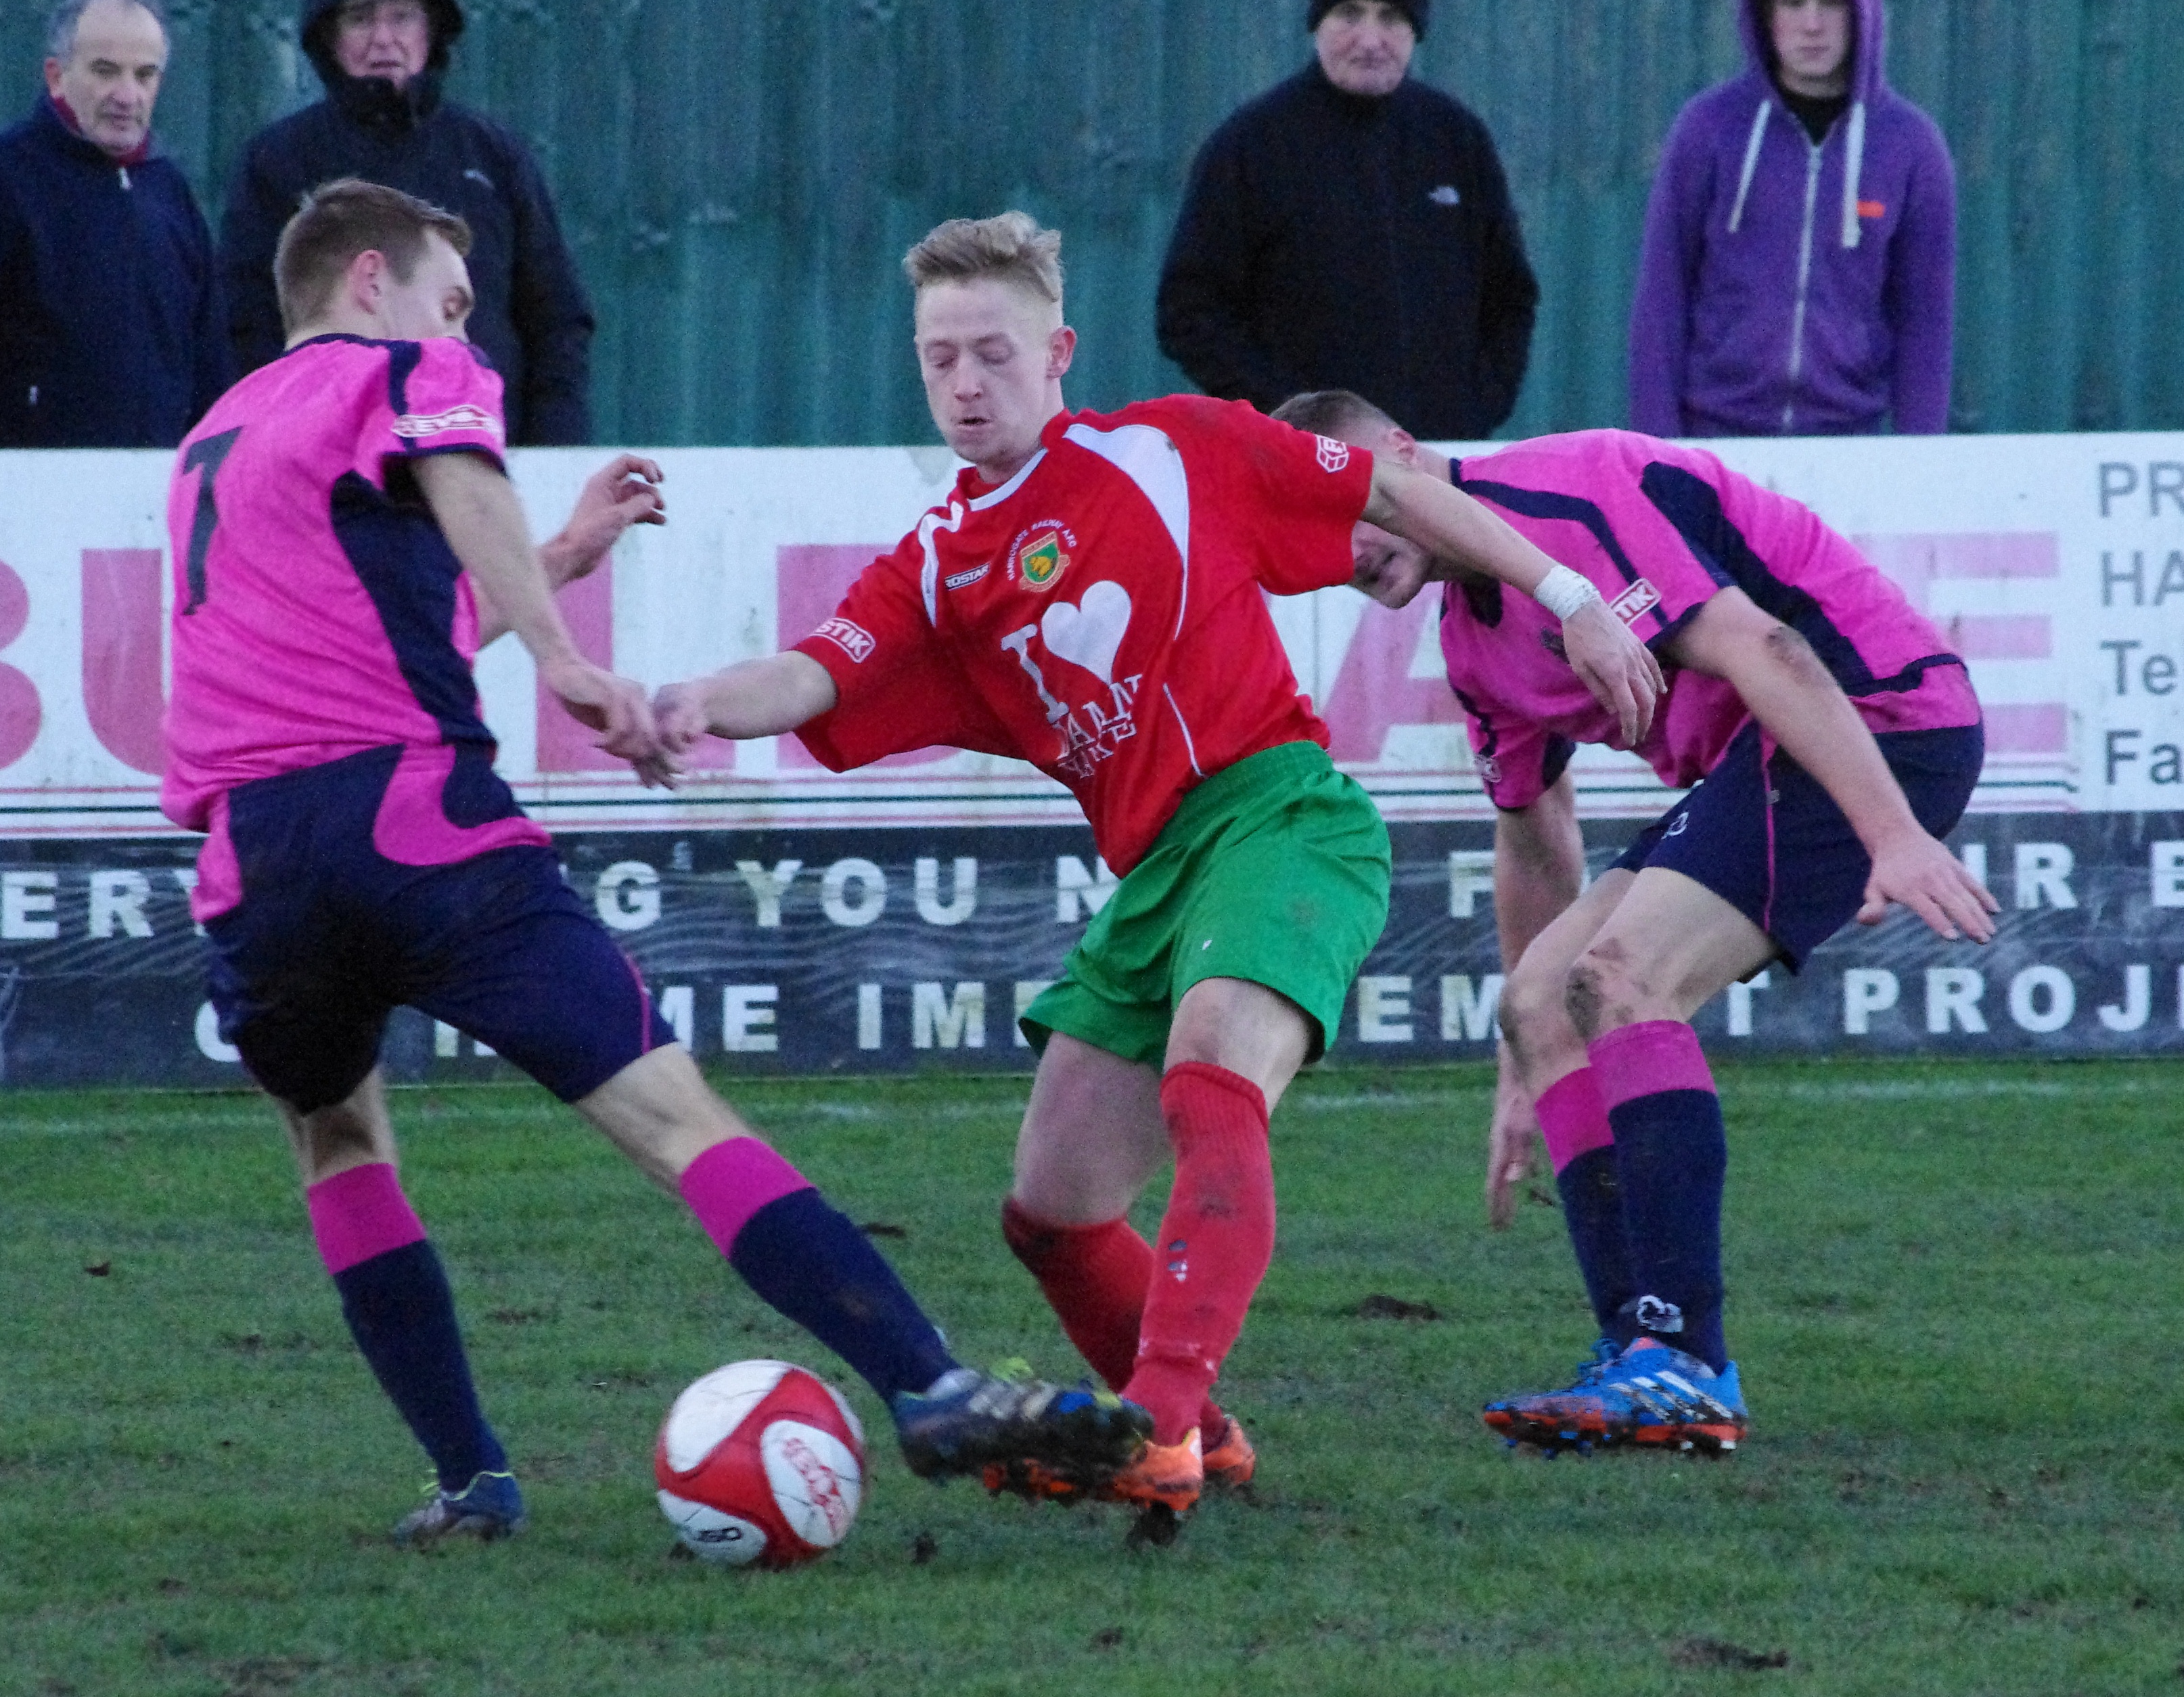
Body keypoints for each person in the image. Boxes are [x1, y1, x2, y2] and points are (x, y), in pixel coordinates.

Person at [162, 179, 1150, 1545]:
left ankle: (471, 1480)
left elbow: (379, 625)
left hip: (254, 863)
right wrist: (565, 659)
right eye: (455, 301)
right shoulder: (405, 369)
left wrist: (566, 554)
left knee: (337, 1137)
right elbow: (462, 477)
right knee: (678, 1121)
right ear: (372, 281)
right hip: (413, 822)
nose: (467, 333)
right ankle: (927, 1383)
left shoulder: (213, 438)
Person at [652, 212, 1660, 1532]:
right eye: (940, 358)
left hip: (1282, 817)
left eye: (993, 353)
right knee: (1052, 1212)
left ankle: (1164, 1427)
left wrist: (1569, 597)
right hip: (1154, 877)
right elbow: (812, 674)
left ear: (1058, 353)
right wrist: (690, 704)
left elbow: (1391, 491)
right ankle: (1207, 1441)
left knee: (1209, 1073)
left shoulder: (1173, 448)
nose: (965, 383)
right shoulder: (942, 563)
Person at [1273, 388, 1996, 1453]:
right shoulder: (1473, 648)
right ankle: (1638, 1359)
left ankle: (1687, 1365)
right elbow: (1534, 835)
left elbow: (1773, 650)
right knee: (1544, 1001)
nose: (1344, 545)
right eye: (1310, 524)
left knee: (1622, 977)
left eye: (1354, 502)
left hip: (1881, 721)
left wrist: (1892, 832)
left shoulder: (1563, 494)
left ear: (1404, 455)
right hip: (1762, 760)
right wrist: (1528, 1063)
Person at [1155, 0, 1538, 441]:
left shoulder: (1457, 139)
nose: (1371, 41)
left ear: (1416, 31)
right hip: (1300, 464)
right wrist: (1296, 420)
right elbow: (1190, 312)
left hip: (1436, 458)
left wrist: (1475, 410)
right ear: (1317, 25)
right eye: (1350, 14)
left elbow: (1510, 297)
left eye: (1391, 18)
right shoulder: (1252, 145)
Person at [219, 0, 594, 446]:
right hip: (329, 459)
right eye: (360, 18)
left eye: (402, 16)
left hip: (483, 452)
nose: (383, 39)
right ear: (329, 37)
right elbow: (246, 322)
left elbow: (556, 319)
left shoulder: (492, 156)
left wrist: (552, 454)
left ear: (432, 30)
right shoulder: (279, 161)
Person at [1629, 0, 1955, 437]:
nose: (1812, 25)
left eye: (1832, 5)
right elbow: (1662, 298)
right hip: (1716, 438)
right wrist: (1657, 449)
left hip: (1848, 442)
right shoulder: (1708, 129)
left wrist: (1918, 456)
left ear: (1862, 14)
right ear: (1765, 14)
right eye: (1794, 4)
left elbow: (1925, 323)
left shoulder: (1911, 147)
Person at [0, 0, 228, 447]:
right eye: (105, 71)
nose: (127, 96)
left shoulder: (170, 192)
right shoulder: (11, 180)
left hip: (159, 476)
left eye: (145, 75)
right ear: (56, 76)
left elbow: (209, 355)